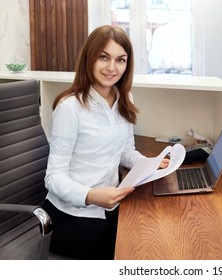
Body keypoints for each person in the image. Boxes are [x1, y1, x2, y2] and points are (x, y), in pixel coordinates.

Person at [43, 25, 169, 260]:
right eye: (104, 57)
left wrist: (149, 163)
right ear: (89, 58)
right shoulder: (70, 107)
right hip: (73, 215)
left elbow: (125, 152)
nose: (112, 68)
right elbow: (53, 178)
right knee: (138, 253)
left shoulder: (124, 99)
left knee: (153, 240)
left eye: (120, 60)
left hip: (111, 206)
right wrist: (91, 195)